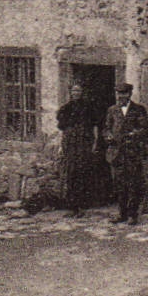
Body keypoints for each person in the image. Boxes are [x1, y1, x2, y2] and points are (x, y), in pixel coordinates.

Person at [101, 82, 148, 225]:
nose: (121, 96)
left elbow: (145, 128)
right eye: (119, 93)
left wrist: (135, 133)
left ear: (129, 94)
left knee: (133, 183)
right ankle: (122, 213)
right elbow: (106, 128)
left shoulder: (139, 109)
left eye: (124, 93)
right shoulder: (112, 110)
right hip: (116, 152)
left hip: (132, 151)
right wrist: (108, 136)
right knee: (119, 184)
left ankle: (132, 214)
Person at [56, 82, 97, 216]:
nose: (76, 93)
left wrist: (94, 142)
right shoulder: (65, 109)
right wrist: (61, 146)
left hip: (83, 143)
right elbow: (62, 129)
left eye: (78, 90)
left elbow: (94, 126)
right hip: (70, 144)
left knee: (82, 172)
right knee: (70, 173)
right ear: (70, 92)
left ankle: (82, 206)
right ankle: (72, 206)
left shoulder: (88, 108)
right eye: (74, 91)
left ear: (82, 92)